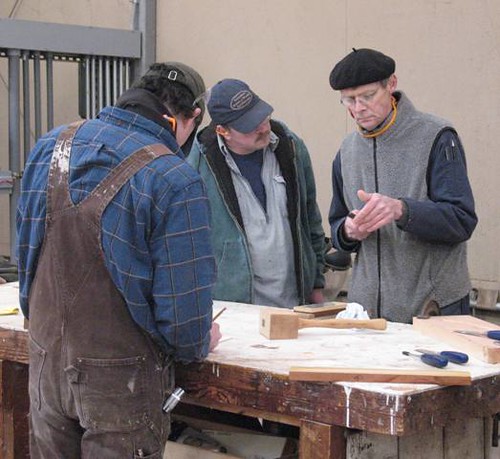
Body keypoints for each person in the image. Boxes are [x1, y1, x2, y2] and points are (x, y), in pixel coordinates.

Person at [16, 61, 221, 458]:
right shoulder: (175, 178)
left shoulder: (50, 146)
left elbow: (27, 259)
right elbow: (184, 321)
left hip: (44, 363)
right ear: (191, 117)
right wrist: (198, 342)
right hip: (120, 383)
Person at [328, 48, 478, 323]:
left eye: (368, 96)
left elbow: (462, 220)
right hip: (366, 314)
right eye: (348, 100)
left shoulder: (437, 136)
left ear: (392, 84)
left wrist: (401, 210)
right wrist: (348, 231)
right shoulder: (346, 151)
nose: (358, 108)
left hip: (433, 307)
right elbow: (337, 224)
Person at [188, 78, 326, 308]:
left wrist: (317, 284)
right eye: (250, 125)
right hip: (233, 306)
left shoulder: (291, 148)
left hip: (294, 304)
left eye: (262, 117)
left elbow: (311, 219)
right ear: (223, 131)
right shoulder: (196, 165)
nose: (263, 127)